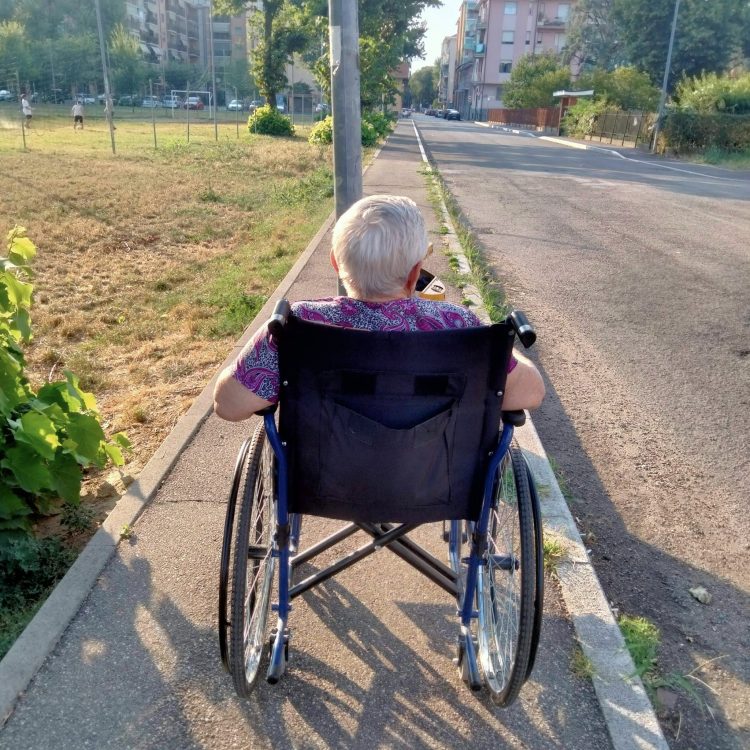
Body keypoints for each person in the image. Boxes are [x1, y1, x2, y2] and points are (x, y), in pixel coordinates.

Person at [213, 194, 545, 421]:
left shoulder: (298, 326)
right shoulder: (458, 325)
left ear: (335, 263)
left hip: (323, 476)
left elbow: (228, 405)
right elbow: (531, 392)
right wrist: (505, 351)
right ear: (416, 273)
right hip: (434, 477)